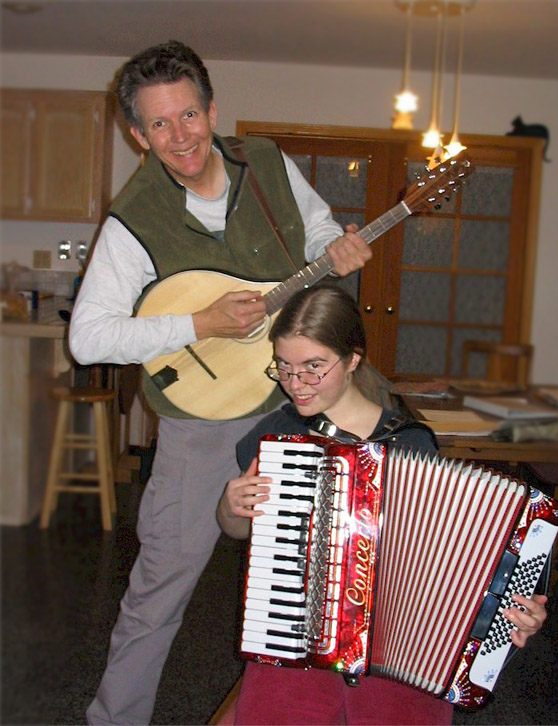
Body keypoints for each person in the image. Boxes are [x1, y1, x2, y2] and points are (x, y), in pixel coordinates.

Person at [69, 40, 372, 725]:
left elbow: (319, 228)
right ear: (136, 134)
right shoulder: (133, 218)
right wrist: (197, 322)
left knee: (337, 574)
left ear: (212, 109)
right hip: (203, 419)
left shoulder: (265, 163)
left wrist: (335, 247)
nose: (180, 138)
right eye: (160, 125)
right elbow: (89, 337)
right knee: (159, 590)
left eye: (190, 115)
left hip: (308, 398)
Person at [217, 284, 548, 725]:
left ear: (353, 359)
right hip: (293, 631)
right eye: (284, 368)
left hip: (399, 647)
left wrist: (511, 614)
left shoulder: (410, 443)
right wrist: (229, 505)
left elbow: (455, 556)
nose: (296, 384)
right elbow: (238, 530)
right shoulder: (276, 435)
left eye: (313, 367)